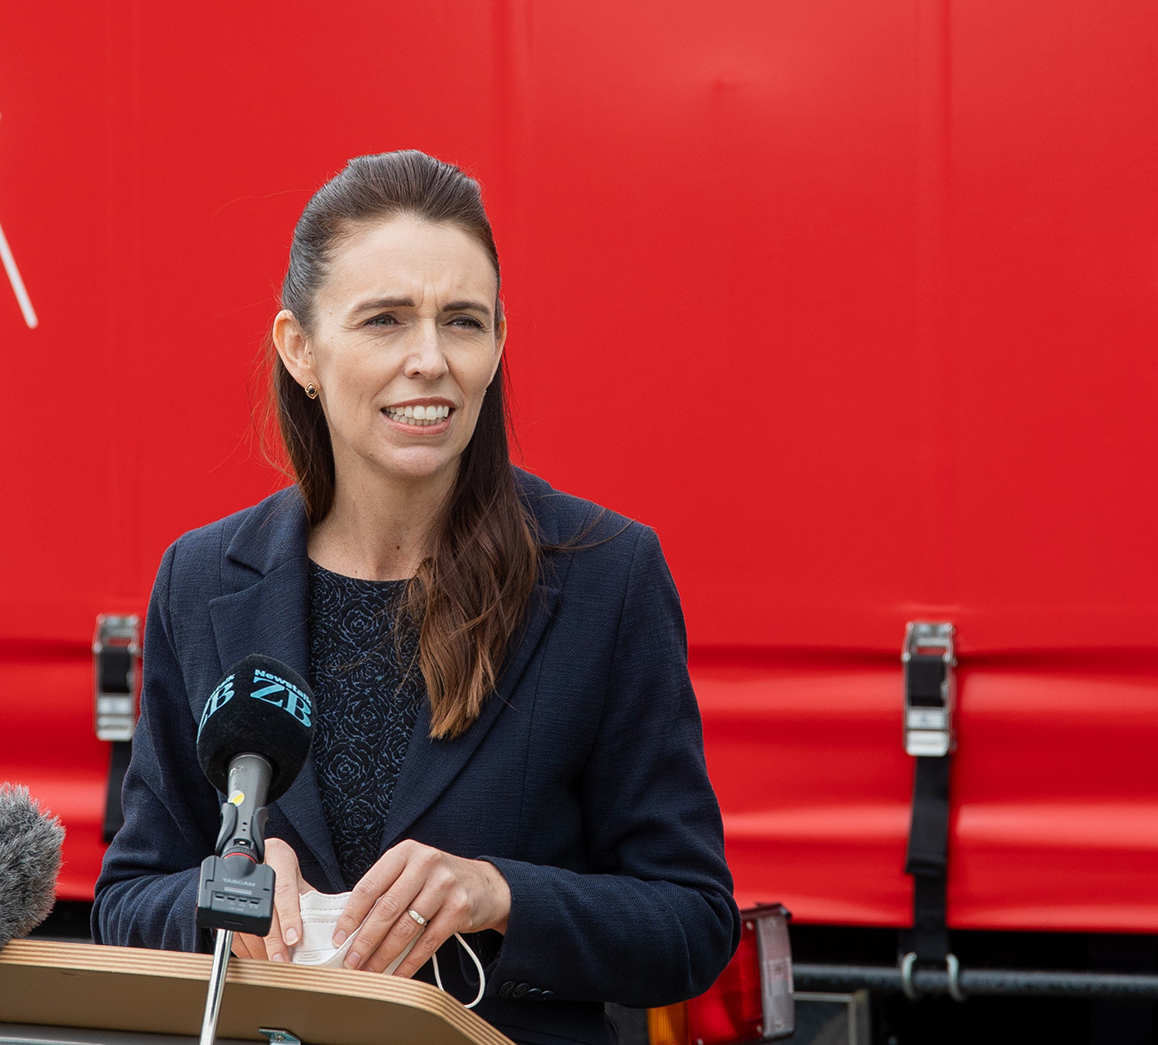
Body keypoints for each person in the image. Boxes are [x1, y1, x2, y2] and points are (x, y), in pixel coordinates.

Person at [91, 150, 738, 1045]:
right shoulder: (201, 580)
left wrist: (498, 894)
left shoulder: (606, 575)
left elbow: (691, 921)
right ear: (301, 350)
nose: (429, 360)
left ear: (498, 345)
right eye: (386, 320)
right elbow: (125, 900)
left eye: (463, 322)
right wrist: (224, 893)